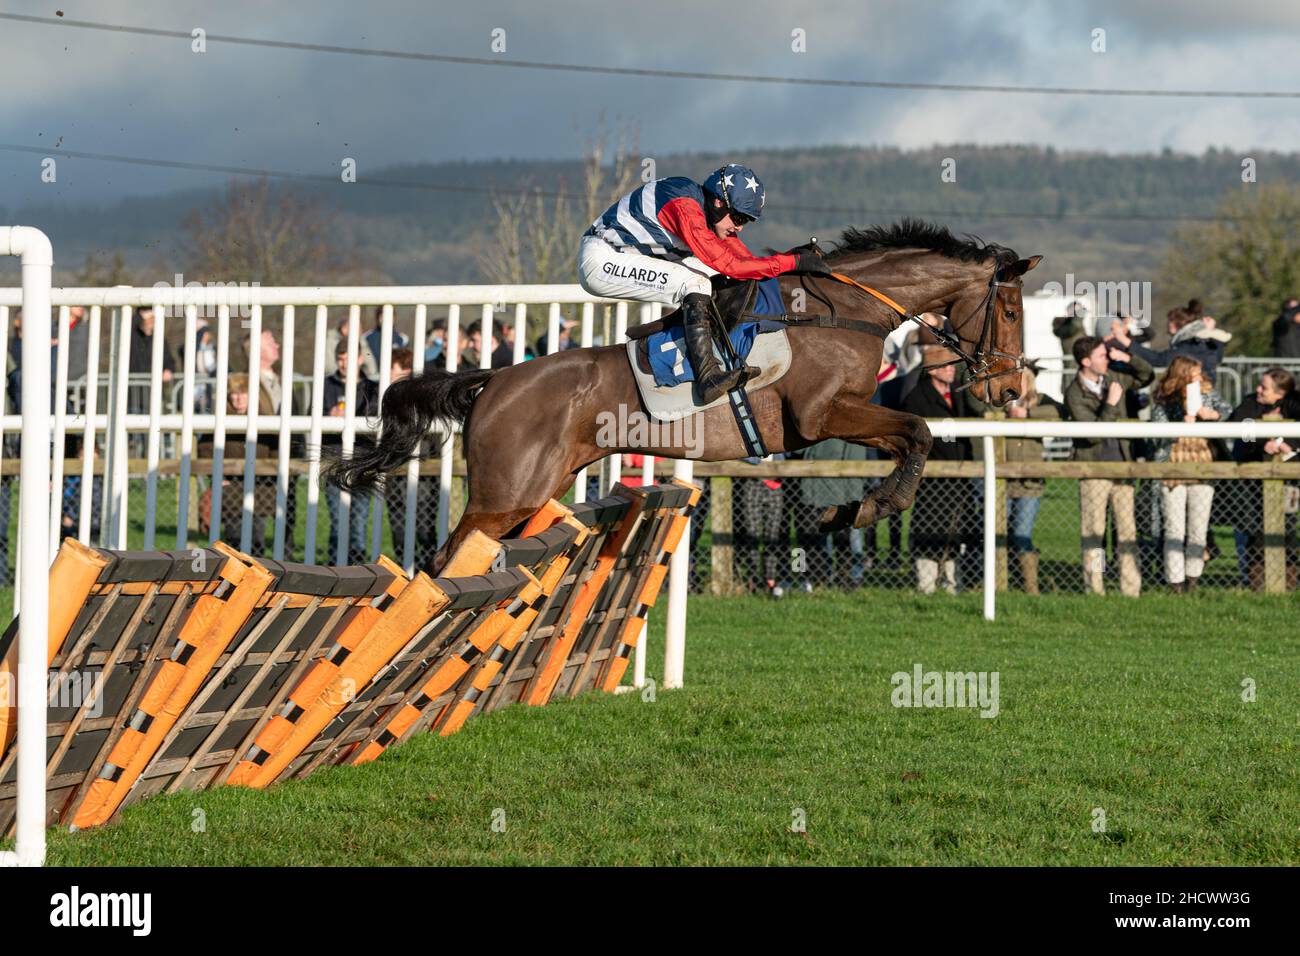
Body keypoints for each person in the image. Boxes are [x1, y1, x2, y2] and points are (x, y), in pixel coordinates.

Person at [577, 163, 829, 403]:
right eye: (739, 218)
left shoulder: (710, 213)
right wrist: (792, 263)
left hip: (623, 254)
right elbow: (733, 265)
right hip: (601, 259)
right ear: (719, 202)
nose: (740, 228)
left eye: (745, 222)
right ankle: (707, 376)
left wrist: (792, 258)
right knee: (694, 283)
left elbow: (745, 263)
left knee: (716, 278)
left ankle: (693, 345)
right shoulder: (686, 208)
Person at [1065, 336, 1154, 596]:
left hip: (1122, 466)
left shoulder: (1116, 376)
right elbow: (1092, 434)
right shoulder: (1074, 392)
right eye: (1102, 355)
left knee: (1128, 531)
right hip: (1093, 469)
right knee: (1095, 533)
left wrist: (1128, 358)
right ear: (1085, 361)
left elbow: (1146, 375)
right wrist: (1111, 404)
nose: (1107, 359)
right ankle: (1095, 587)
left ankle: (1131, 589)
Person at [1147, 356, 1232, 592]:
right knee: (1174, 527)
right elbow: (1157, 431)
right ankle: (1175, 581)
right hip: (1174, 463)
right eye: (1194, 374)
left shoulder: (1208, 393)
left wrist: (1212, 415)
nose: (1199, 378)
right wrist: (1181, 424)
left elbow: (1228, 411)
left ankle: (1193, 577)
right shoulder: (1165, 399)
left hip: (1202, 462)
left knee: (1199, 526)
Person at [903, 347, 975, 594]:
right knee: (929, 527)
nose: (951, 370)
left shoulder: (958, 396)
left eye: (953, 365)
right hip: (931, 478)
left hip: (958, 476)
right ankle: (926, 583)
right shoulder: (916, 399)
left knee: (957, 529)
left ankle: (952, 582)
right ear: (932, 370)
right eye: (946, 366)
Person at [1228, 368, 1300, 590]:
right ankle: (1256, 582)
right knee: (1252, 529)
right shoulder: (1251, 402)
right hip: (1251, 480)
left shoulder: (1292, 403)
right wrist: (1263, 443)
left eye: (1264, 387)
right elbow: (1239, 423)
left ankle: (1288, 581)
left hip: (1287, 480)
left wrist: (1288, 443)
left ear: (1281, 393)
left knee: (1287, 528)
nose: (1258, 390)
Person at [1003, 368, 1065, 594]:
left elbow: (1059, 411)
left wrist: (1028, 415)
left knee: (1021, 532)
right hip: (1004, 479)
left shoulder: (1040, 403)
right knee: (1000, 532)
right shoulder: (1001, 402)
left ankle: (1030, 585)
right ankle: (1003, 581)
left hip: (1030, 482)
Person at [1108, 304, 1231, 382]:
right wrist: (1208, 330)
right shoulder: (1203, 339)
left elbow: (1159, 359)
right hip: (1205, 387)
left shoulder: (1189, 343)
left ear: (1173, 324)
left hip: (1195, 390)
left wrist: (1124, 339)